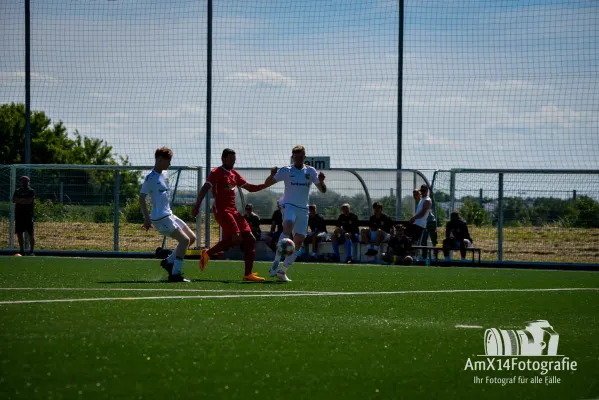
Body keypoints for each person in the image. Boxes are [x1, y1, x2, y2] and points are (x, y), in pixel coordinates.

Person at [191, 148, 276, 282]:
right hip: (222, 210)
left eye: (234, 160)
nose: (233, 162)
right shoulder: (216, 172)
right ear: (223, 159)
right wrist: (197, 205)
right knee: (236, 238)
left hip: (234, 211)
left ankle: (248, 274)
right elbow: (205, 188)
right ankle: (207, 253)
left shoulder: (234, 174)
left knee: (250, 239)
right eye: (230, 159)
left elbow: (250, 188)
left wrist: (266, 184)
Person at [262, 145, 327, 282]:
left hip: (303, 209)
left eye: (301, 156)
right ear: (293, 157)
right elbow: (267, 183)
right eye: (296, 156)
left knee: (299, 240)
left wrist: (321, 182)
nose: (298, 159)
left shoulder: (311, 171)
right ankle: (275, 263)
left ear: (304, 157)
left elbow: (323, 190)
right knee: (288, 226)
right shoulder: (286, 170)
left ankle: (283, 270)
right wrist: (271, 175)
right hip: (288, 205)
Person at [140, 147, 197, 282]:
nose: (170, 164)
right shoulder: (150, 178)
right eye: (168, 161)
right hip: (160, 218)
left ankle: (168, 262)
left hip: (169, 214)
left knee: (192, 238)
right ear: (160, 159)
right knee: (184, 241)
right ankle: (175, 274)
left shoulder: (164, 174)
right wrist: (146, 218)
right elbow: (141, 198)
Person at [12, 176, 35, 255]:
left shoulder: (31, 191)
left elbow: (29, 201)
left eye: (25, 181)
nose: (24, 182)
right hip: (19, 215)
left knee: (31, 233)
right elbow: (14, 200)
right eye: (22, 181)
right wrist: (23, 200)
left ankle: (31, 251)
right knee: (19, 233)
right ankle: (22, 250)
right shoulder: (17, 191)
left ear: (28, 181)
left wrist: (20, 200)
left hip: (28, 215)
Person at [409, 184, 432, 260]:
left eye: (424, 190)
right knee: (413, 240)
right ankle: (412, 255)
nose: (422, 192)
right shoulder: (422, 199)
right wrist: (417, 191)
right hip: (416, 223)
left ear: (427, 190)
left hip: (420, 224)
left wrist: (413, 218)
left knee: (416, 241)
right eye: (421, 190)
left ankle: (415, 256)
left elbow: (422, 213)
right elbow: (416, 195)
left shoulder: (427, 200)